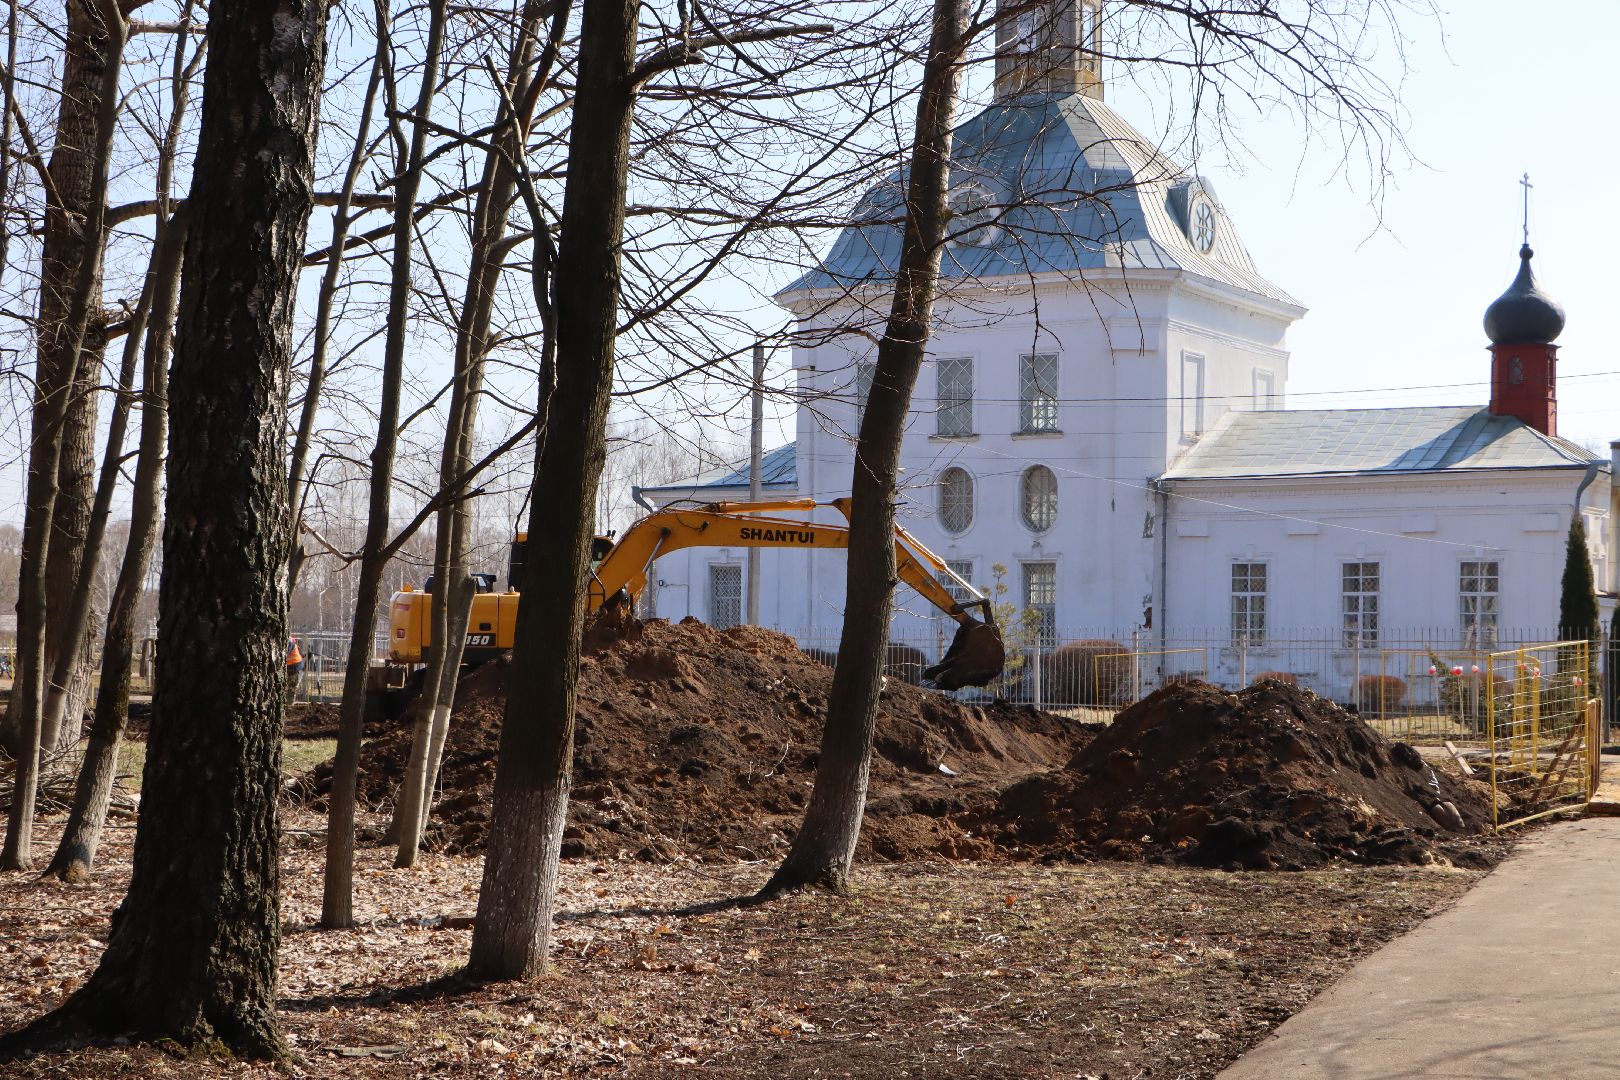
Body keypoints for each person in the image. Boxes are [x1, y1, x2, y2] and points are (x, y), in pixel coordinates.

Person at [285, 635, 304, 705]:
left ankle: (289, 704)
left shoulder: (289, 641)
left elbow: (285, 653)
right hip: (294, 666)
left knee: (291, 688)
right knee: (290, 687)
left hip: (294, 667)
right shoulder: (291, 640)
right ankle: (289, 703)